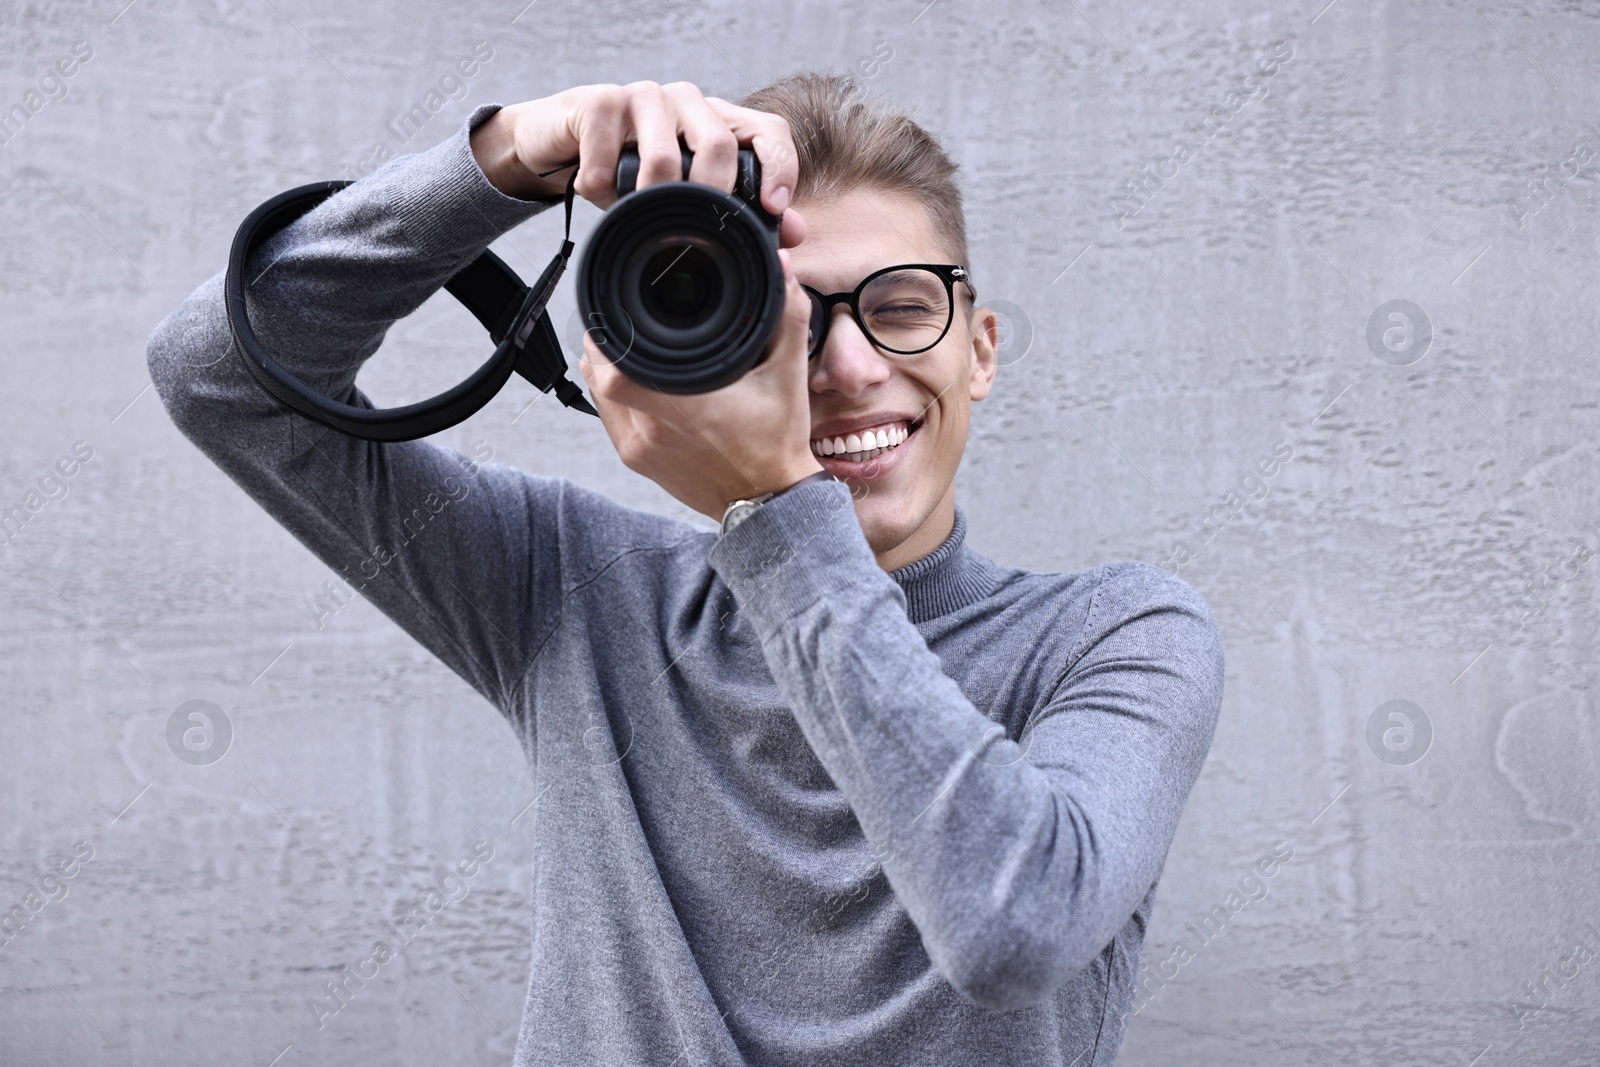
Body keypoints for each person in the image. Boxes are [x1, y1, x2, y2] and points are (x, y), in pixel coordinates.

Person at [146, 71, 1225, 1067]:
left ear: (978, 346)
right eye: (792, 322)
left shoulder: (1118, 634)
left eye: (899, 307)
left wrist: (772, 508)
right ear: (700, 342)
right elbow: (218, 377)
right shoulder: (577, 590)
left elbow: (1013, 920)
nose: (850, 368)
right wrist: (516, 156)